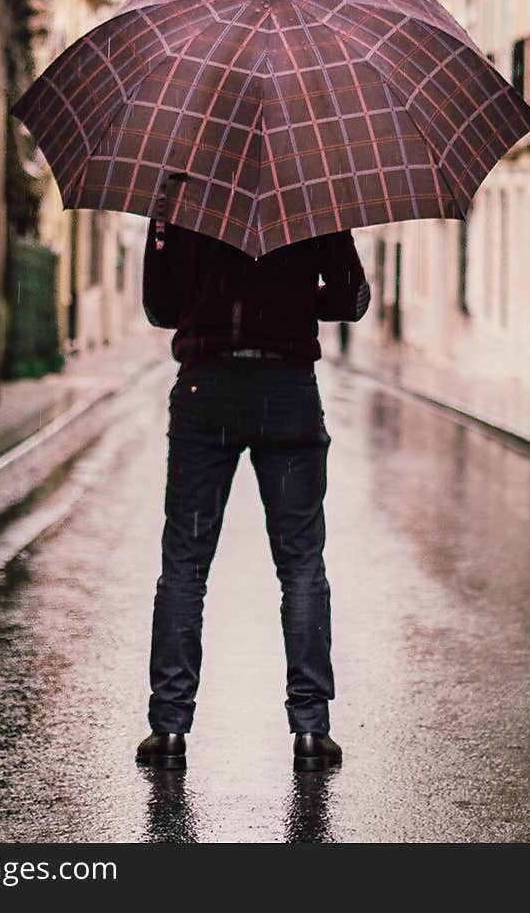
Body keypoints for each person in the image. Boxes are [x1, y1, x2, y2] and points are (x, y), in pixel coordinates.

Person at [135, 218, 371, 772]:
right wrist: (291, 295)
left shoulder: (179, 194)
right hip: (287, 388)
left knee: (185, 566)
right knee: (301, 565)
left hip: (205, 386)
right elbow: (350, 298)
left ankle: (168, 729)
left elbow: (161, 308)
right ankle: (311, 731)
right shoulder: (314, 195)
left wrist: (211, 290)